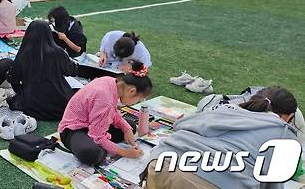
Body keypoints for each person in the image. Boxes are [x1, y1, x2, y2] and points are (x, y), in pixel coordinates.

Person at [145, 86, 298, 189]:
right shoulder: (283, 132)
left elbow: (180, 125)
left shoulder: (223, 108)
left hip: (161, 164)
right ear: (289, 116)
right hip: (209, 182)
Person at [59, 60, 152, 166]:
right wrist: (124, 152)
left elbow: (112, 112)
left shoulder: (110, 81)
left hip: (91, 124)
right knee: (91, 154)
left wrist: (126, 128)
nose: (137, 102)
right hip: (73, 130)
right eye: (138, 100)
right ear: (132, 91)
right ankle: (101, 149)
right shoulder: (105, 99)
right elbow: (97, 136)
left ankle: (103, 146)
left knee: (130, 126)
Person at [6, 20, 78, 121]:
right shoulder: (58, 52)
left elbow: (13, 79)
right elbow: (71, 71)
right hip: (60, 103)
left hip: (34, 104)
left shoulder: (23, 54)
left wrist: (23, 91)